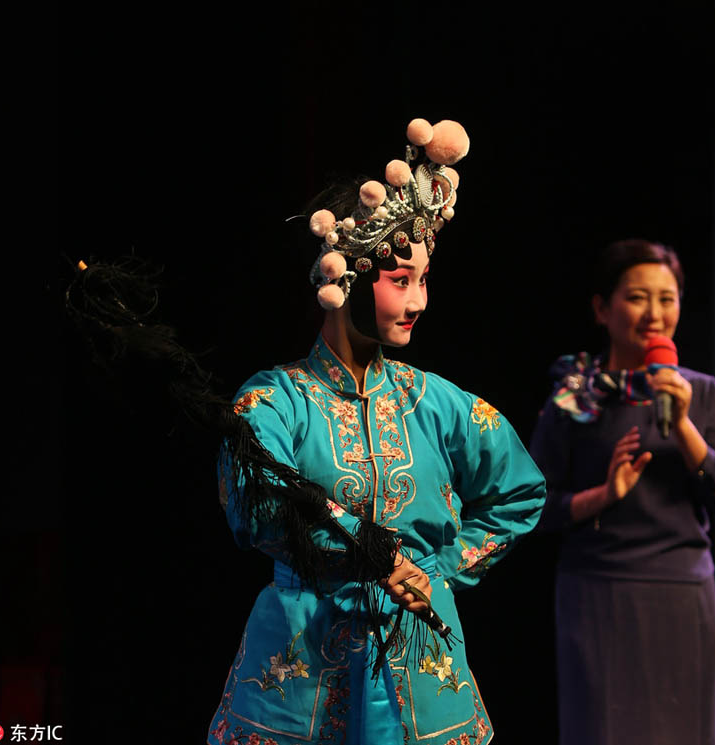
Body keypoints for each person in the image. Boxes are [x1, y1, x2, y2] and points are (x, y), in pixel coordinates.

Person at [207, 119, 546, 745]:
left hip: (418, 659)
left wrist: (440, 569)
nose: (418, 301)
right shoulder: (272, 399)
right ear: (346, 282)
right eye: (399, 282)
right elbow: (258, 505)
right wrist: (374, 551)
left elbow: (518, 492)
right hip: (301, 661)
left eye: (422, 281)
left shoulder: (436, 402)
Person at [529, 239, 715, 745]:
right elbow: (534, 505)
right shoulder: (574, 395)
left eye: (667, 298)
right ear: (602, 309)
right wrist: (603, 495)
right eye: (637, 297)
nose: (655, 313)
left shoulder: (701, 392)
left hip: (682, 594)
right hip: (597, 594)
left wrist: (685, 427)